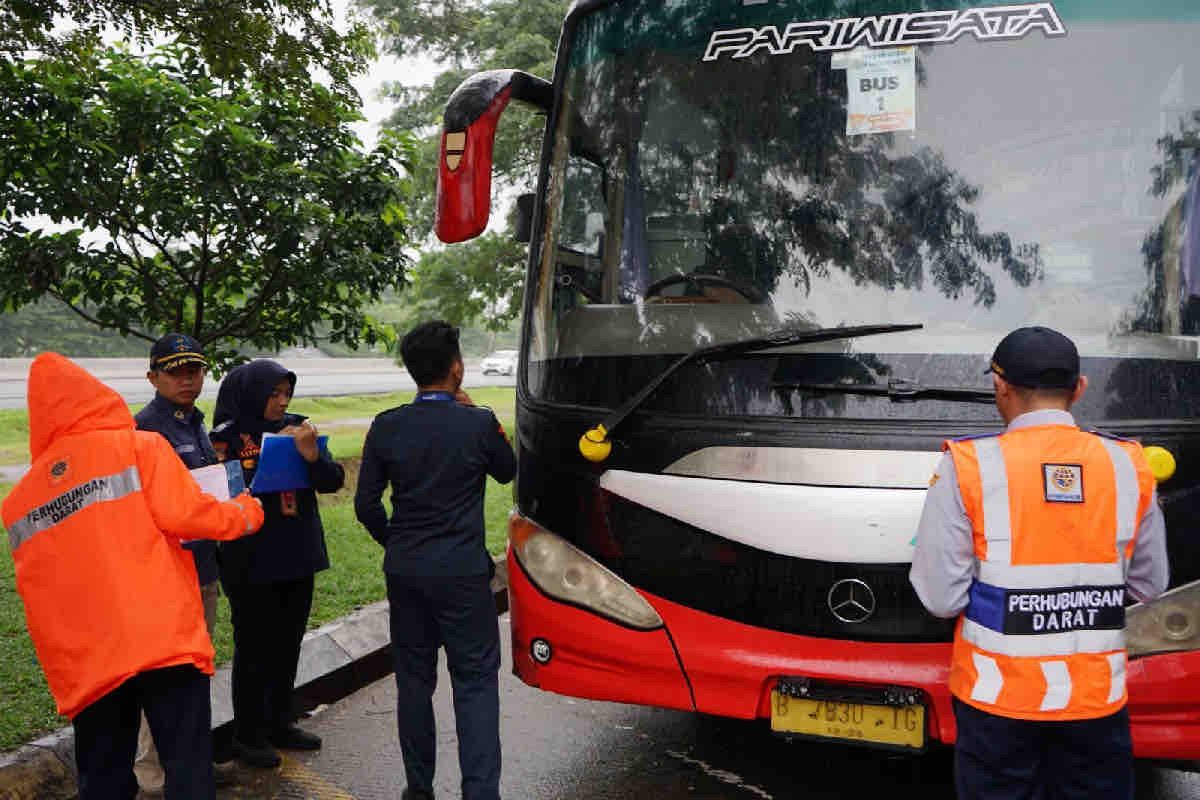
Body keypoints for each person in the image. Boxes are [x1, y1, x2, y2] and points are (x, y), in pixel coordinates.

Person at [909, 326, 1169, 800]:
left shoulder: (967, 465)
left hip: (996, 703)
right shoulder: (1130, 464)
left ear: (1000, 387)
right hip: (1096, 701)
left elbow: (941, 598)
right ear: (1080, 388)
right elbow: (1150, 586)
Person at [0, 353, 264, 800]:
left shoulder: (20, 499)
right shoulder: (139, 447)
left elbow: (36, 591)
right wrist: (246, 510)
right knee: (187, 766)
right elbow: (192, 516)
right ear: (97, 399)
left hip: (90, 658)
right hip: (162, 640)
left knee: (103, 777)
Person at [354, 321, 517, 800]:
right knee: (475, 684)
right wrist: (479, 416)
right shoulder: (479, 423)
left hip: (406, 571)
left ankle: (419, 789)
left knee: (413, 682)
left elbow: (366, 505)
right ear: (457, 368)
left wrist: (396, 542)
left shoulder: (386, 425)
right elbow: (508, 472)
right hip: (463, 572)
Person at [209, 359, 344, 769]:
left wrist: (310, 455)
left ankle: (280, 721)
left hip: (297, 552)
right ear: (252, 393)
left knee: (288, 643)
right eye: (274, 394)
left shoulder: (301, 426)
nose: (282, 402)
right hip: (250, 558)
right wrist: (270, 459)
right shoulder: (226, 437)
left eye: (286, 393)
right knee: (254, 647)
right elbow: (222, 494)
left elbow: (332, 480)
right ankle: (248, 735)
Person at [132, 333, 228, 792]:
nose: (188, 379)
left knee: (194, 677)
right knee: (164, 680)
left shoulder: (194, 424)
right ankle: (152, 776)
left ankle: (192, 766)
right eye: (175, 371)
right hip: (166, 576)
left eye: (194, 370)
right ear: (153, 377)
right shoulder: (144, 431)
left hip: (202, 568)